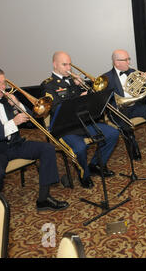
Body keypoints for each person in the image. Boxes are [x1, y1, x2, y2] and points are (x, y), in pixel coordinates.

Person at [0, 66, 68, 211]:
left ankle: (44, 199)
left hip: (16, 144)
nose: (3, 87)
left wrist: (18, 104)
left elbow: (33, 122)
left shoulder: (7, 100)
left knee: (47, 149)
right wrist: (13, 122)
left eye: (4, 82)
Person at [41, 51, 120, 189]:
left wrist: (84, 88)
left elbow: (87, 103)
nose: (68, 68)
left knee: (113, 134)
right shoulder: (48, 85)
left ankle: (96, 164)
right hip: (64, 128)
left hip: (82, 122)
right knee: (80, 147)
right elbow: (56, 109)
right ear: (54, 64)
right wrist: (78, 98)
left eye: (69, 64)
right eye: (64, 64)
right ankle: (84, 175)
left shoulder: (73, 81)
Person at [103, 49, 146, 158]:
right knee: (124, 121)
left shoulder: (133, 72)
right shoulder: (107, 78)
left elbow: (144, 92)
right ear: (117, 62)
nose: (129, 62)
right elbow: (104, 100)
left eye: (129, 59)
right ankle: (132, 144)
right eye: (126, 60)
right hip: (118, 110)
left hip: (135, 106)